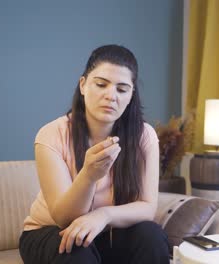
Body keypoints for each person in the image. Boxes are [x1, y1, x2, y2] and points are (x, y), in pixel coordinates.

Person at [19, 45, 170, 264]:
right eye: (101, 84)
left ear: (131, 95)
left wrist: (103, 215)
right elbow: (64, 219)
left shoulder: (144, 135)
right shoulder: (51, 134)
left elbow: (147, 206)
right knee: (75, 248)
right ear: (83, 85)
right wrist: (89, 175)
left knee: (151, 236)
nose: (111, 96)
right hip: (51, 232)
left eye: (122, 89)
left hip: (107, 233)